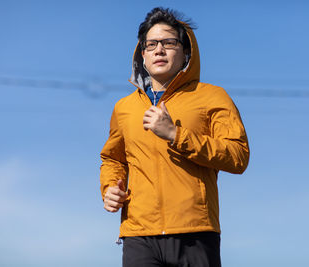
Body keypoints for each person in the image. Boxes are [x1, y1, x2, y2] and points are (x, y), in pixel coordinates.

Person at [100, 7, 249, 267]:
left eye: (169, 42)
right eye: (152, 44)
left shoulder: (212, 96)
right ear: (142, 55)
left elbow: (238, 157)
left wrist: (176, 135)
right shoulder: (123, 108)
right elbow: (113, 159)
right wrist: (110, 187)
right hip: (138, 235)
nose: (159, 49)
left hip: (196, 232)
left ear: (186, 52)